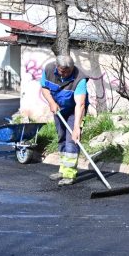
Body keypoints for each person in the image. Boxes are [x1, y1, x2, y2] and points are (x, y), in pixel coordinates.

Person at [40, 54, 88, 186]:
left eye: (68, 71)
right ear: (57, 67)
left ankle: (69, 174)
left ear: (72, 67)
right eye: (62, 71)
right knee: (61, 137)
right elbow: (44, 88)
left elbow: (80, 104)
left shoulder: (80, 79)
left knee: (72, 140)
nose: (65, 74)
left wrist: (77, 127)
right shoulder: (49, 69)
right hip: (58, 109)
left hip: (74, 111)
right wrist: (51, 102)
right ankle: (63, 169)